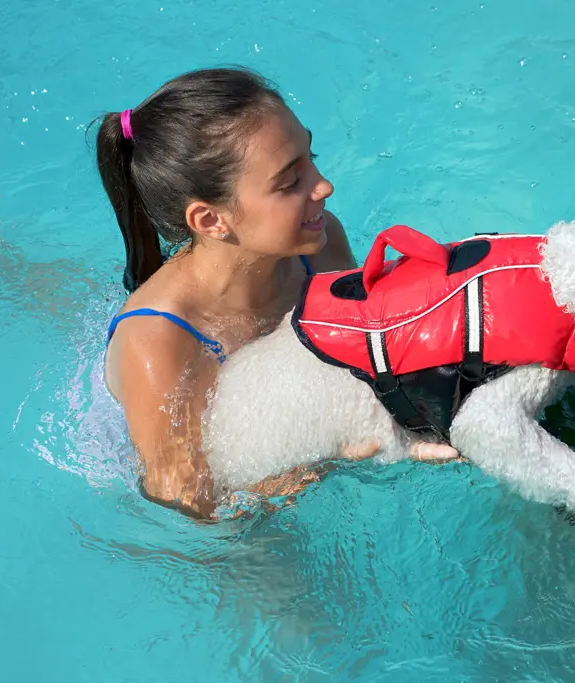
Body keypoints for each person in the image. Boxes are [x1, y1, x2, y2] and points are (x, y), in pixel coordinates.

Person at [96, 66, 457, 520]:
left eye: (312, 157)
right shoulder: (159, 344)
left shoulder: (319, 248)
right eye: (290, 183)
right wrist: (327, 453)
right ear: (211, 221)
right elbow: (193, 509)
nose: (324, 186)